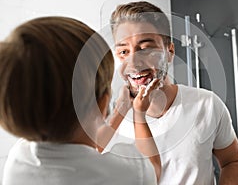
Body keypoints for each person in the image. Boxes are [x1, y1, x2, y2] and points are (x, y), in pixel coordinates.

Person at [0, 16, 161, 185]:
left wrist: (120, 111)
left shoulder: (19, 158)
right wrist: (139, 115)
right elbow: (153, 169)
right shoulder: (130, 174)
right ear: (103, 103)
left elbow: (80, 146)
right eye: (123, 51)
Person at [107, 1, 238, 185]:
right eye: (124, 51)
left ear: (170, 52)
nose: (134, 62)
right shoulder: (112, 123)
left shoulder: (207, 104)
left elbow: (233, 162)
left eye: (146, 48)